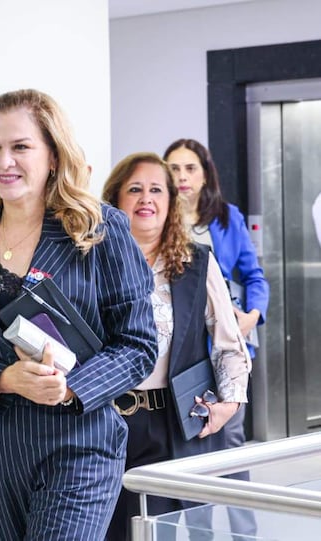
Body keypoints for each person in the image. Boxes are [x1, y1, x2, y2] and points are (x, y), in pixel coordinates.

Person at [0, 89, 158, 540]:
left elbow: (138, 345)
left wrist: (70, 387)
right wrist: (4, 379)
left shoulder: (100, 230)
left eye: (20, 147)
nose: (4, 161)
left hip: (80, 444)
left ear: (53, 155)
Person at [101, 152, 251, 540]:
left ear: (170, 201)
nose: (145, 199)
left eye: (156, 190)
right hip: (106, 422)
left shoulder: (197, 263)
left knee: (167, 530)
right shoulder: (93, 261)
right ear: (115, 200)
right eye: (134, 189)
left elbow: (228, 344)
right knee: (113, 530)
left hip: (175, 420)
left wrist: (230, 403)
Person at [164, 138, 268, 538]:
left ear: (205, 174)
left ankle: (245, 533)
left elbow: (253, 275)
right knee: (193, 446)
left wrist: (253, 316)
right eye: (173, 168)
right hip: (181, 352)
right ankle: (200, 534)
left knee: (232, 442)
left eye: (190, 168)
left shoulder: (226, 218)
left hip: (225, 344)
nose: (182, 176)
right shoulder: (158, 217)